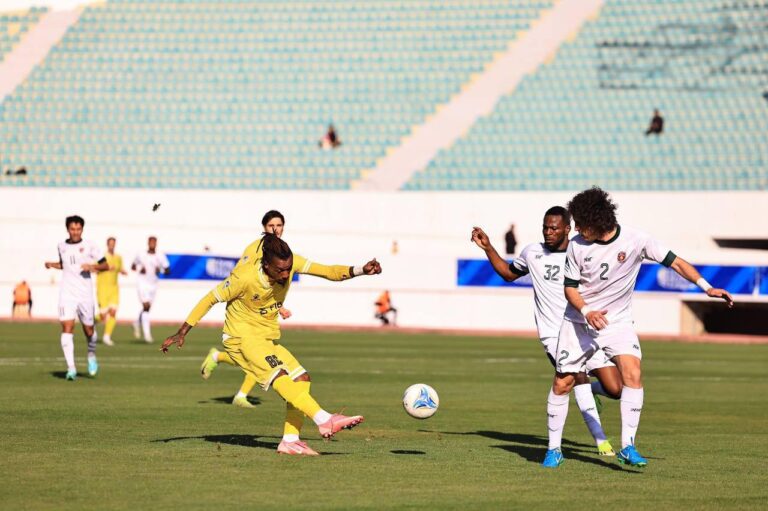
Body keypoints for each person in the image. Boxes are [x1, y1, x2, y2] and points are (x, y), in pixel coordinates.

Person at [542, 187, 734, 468]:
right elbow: (569, 288)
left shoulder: (637, 239)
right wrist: (587, 310)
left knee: (632, 372)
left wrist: (707, 287)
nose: (578, 230)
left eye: (582, 224)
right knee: (563, 383)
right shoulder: (576, 246)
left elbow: (676, 263)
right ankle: (554, 449)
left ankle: (628, 446)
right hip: (578, 321)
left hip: (616, 320)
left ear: (597, 220)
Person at [161, 233, 382, 455]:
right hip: (241, 338)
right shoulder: (244, 278)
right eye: (280, 270)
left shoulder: (290, 262)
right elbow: (209, 298)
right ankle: (324, 419)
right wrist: (182, 332)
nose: (286, 275)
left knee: (302, 378)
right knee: (280, 376)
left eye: (288, 269)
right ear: (266, 264)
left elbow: (328, 271)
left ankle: (290, 440)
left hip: (265, 337)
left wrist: (361, 270)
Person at [472, 207, 622, 458]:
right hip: (554, 334)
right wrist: (488, 248)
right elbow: (509, 274)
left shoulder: (582, 251)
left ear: (567, 229)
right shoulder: (533, 252)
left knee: (616, 388)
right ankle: (600, 442)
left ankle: (593, 395)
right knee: (578, 377)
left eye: (554, 228)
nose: (548, 232)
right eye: (545, 227)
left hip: (584, 330)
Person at [201, 210, 293, 408]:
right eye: (271, 226)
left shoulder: (281, 252)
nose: (275, 229)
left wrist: (279, 306)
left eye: (279, 225)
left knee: (257, 358)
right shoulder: (254, 250)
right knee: (257, 358)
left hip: (263, 316)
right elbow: (240, 278)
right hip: (245, 314)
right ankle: (240, 393)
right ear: (264, 228)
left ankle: (222, 365)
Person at [44, 215, 109, 380]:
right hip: (66, 294)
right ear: (68, 229)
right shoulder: (61, 246)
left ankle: (91, 354)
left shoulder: (90, 246)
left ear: (82, 229)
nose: (75, 232)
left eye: (78, 229)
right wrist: (53, 264)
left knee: (89, 331)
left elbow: (105, 265)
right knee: (67, 328)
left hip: (85, 294)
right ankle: (71, 368)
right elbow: (66, 265)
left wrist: (92, 266)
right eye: (72, 229)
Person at [131, 236, 170, 343]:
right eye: (150, 242)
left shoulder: (160, 256)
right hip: (142, 283)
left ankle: (136, 323)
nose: (152, 244)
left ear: (156, 243)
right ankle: (147, 335)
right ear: (148, 243)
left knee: (146, 310)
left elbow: (168, 271)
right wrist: (140, 268)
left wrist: (160, 270)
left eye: (154, 242)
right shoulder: (141, 254)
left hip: (153, 285)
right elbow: (133, 266)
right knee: (146, 306)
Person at [96, 237, 127, 346]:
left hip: (114, 289)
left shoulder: (118, 257)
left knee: (113, 312)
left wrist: (123, 271)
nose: (112, 246)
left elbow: (119, 268)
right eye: (110, 244)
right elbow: (95, 268)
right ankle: (91, 323)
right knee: (103, 316)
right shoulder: (101, 257)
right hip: (102, 289)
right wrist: (106, 268)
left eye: (113, 244)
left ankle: (107, 336)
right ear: (107, 244)